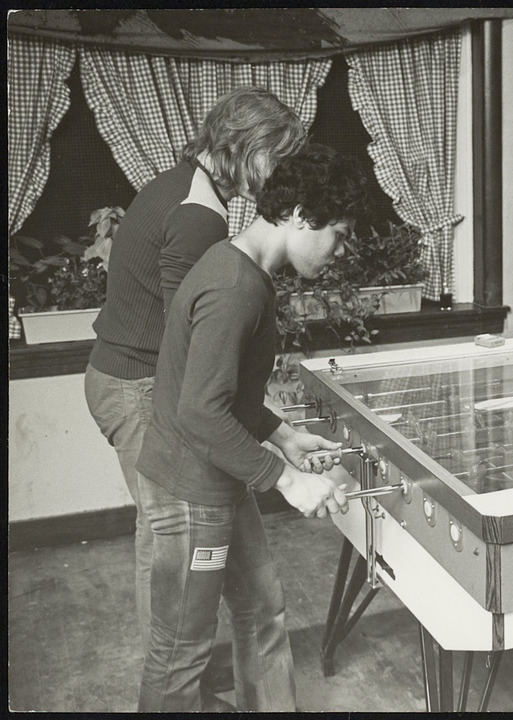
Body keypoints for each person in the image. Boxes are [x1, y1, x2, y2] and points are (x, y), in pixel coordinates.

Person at [83, 86, 305, 702]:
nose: (279, 176)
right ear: (247, 148)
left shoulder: (182, 184)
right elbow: (195, 342)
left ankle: (184, 681)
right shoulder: (200, 214)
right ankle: (180, 685)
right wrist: (274, 450)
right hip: (139, 384)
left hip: (126, 377)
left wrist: (275, 430)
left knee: (170, 547)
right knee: (172, 548)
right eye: (277, 158)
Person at [133, 144, 368, 711]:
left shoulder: (245, 271)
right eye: (338, 234)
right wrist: (287, 479)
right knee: (181, 651)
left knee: (263, 609)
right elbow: (199, 411)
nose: (340, 251)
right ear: (300, 215)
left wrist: (283, 435)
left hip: (218, 475)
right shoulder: (234, 287)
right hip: (191, 491)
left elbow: (224, 392)